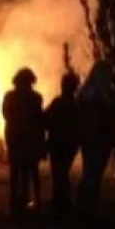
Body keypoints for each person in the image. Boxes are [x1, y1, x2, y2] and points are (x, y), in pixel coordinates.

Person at [76, 60, 115, 226]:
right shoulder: (100, 94)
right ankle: (86, 212)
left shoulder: (87, 93)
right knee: (92, 175)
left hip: (93, 140)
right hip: (97, 140)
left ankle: (84, 210)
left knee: (91, 174)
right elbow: (110, 116)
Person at [2, 67, 45, 219]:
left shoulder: (10, 96)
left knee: (16, 172)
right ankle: (26, 202)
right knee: (27, 171)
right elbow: (39, 120)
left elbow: (6, 115)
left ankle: (16, 204)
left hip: (16, 138)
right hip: (28, 138)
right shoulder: (36, 98)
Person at [44, 70, 80, 218]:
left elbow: (46, 120)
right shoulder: (76, 104)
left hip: (57, 143)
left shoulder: (58, 103)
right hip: (70, 145)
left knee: (58, 174)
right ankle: (63, 202)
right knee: (63, 173)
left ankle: (60, 203)